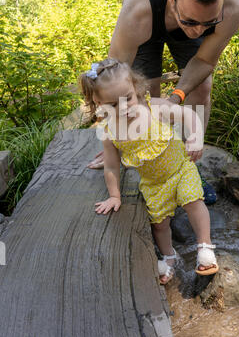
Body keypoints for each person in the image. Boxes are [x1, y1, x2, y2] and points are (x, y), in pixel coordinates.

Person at [88, 0, 239, 204]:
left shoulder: (232, 8)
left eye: (208, 23)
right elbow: (114, 83)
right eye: (190, 22)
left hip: (186, 13)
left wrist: (176, 97)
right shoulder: (137, 14)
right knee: (146, 95)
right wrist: (114, 143)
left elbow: (204, 62)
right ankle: (146, 161)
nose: (197, 32)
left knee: (202, 88)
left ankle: (189, 168)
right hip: (151, 20)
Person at [80, 58, 219, 285]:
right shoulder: (110, 132)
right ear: (99, 103)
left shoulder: (155, 108)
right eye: (113, 105)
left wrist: (196, 136)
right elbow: (113, 167)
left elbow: (189, 115)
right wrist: (114, 195)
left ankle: (205, 246)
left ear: (137, 88)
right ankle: (169, 256)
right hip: (154, 184)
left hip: (181, 169)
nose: (123, 108)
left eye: (128, 98)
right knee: (159, 224)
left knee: (193, 200)